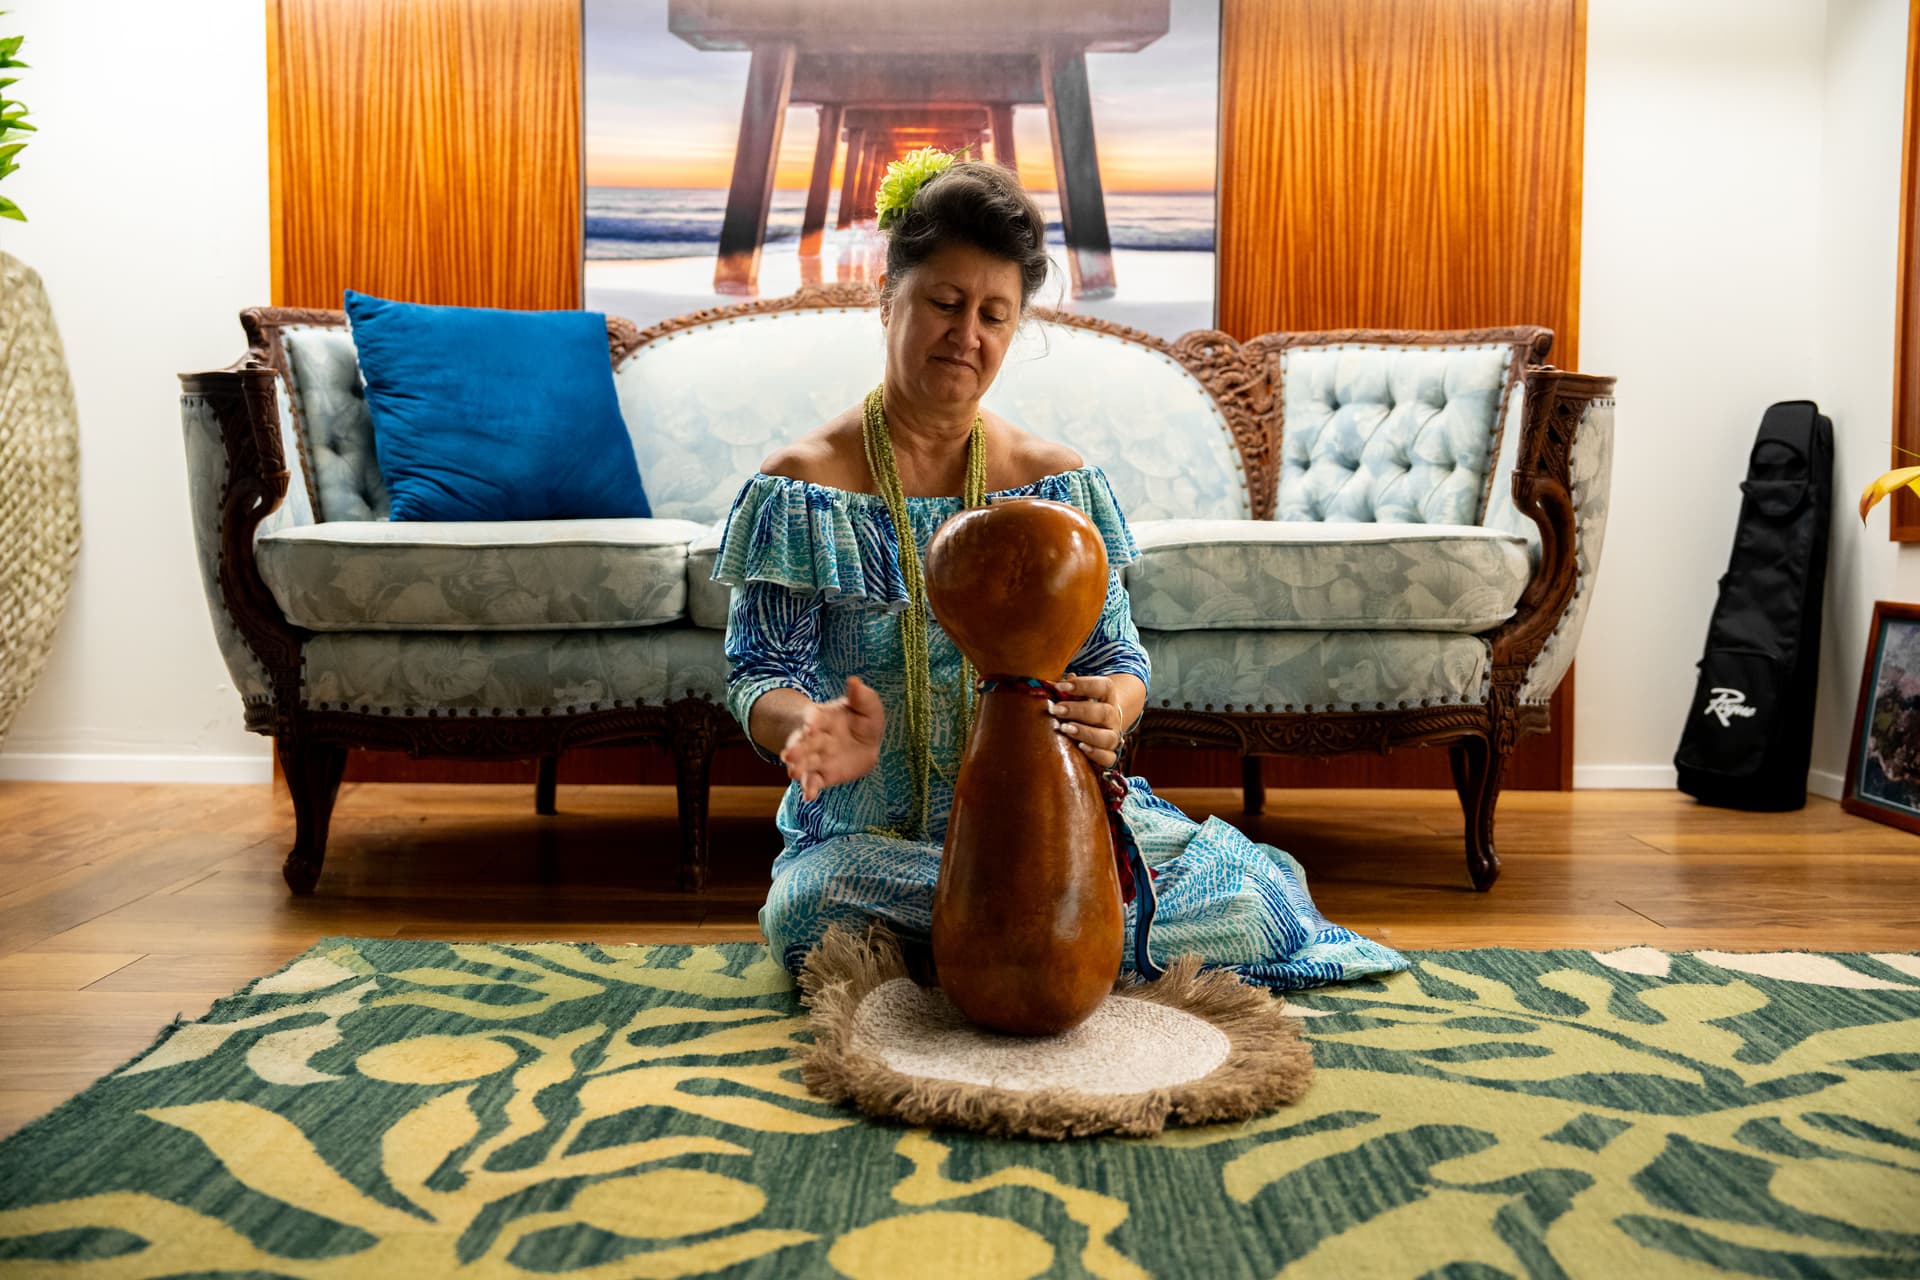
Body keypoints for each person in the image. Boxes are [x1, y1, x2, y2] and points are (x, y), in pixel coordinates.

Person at [712, 150, 1406, 989]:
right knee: (807, 917)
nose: (967, 335)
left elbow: (1118, 660)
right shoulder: (803, 486)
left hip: (1053, 829)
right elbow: (760, 674)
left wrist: (1114, 703)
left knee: (1257, 899)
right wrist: (809, 728)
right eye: (944, 302)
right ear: (887, 296)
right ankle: (1054, 945)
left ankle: (1004, 946)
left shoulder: (1055, 484)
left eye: (995, 315)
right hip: (873, 848)